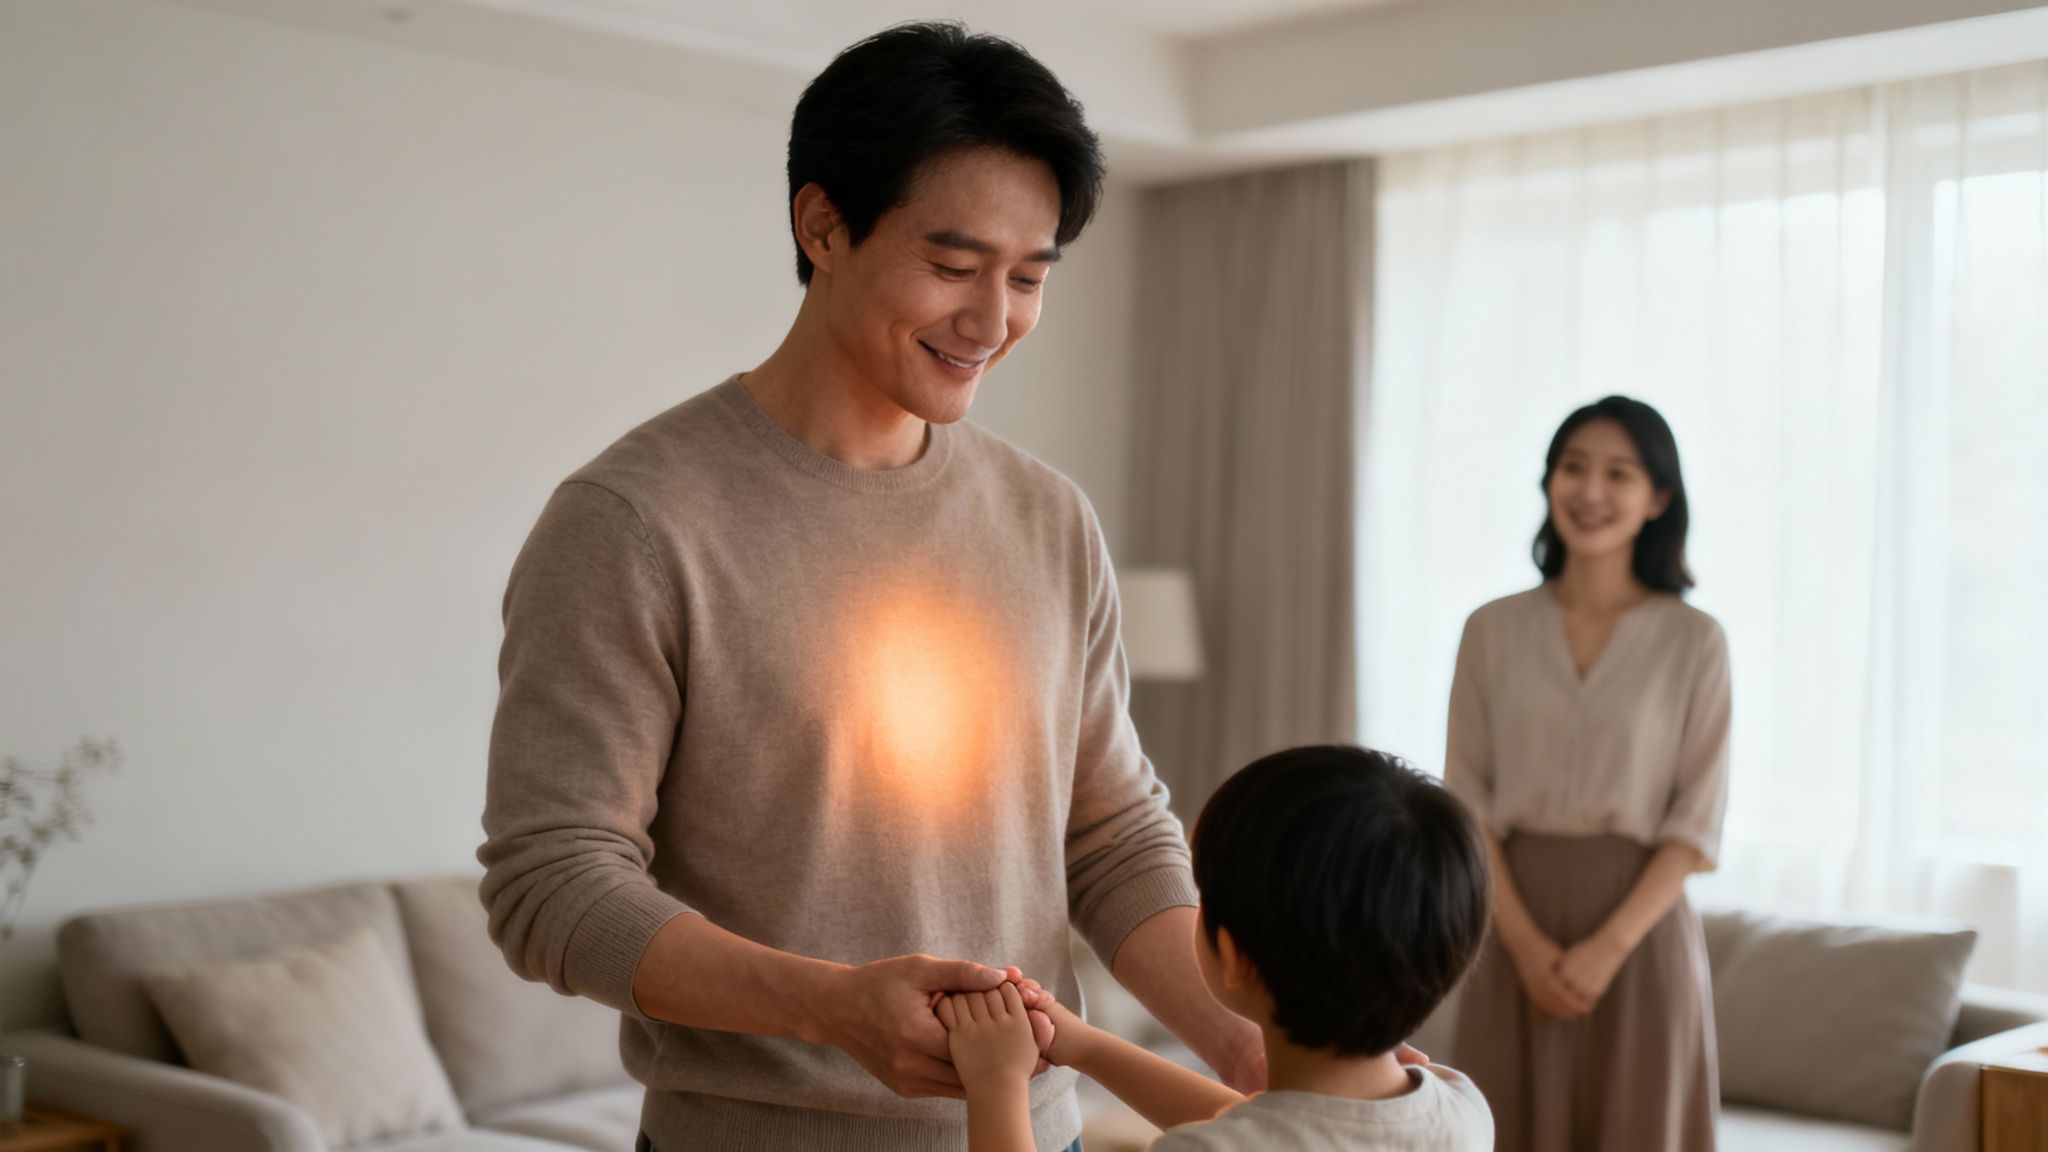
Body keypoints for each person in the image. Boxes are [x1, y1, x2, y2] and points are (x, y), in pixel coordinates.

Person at [475, 21, 1264, 1152]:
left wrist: (1239, 1038)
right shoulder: (634, 522)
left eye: (1028, 277)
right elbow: (550, 884)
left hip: (1037, 1132)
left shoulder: (1048, 519)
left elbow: (1109, 835)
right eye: (952, 267)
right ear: (822, 225)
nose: (992, 322)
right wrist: (827, 1006)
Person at [939, 745, 1495, 1152]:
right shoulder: (1462, 1107)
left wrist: (996, 1084)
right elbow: (1272, 1129)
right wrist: (1083, 1045)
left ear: (1234, 956)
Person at [1444, 395, 1731, 1151]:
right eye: (1573, 468)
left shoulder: (1695, 642)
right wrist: (1531, 949)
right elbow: (1464, 802)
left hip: (1640, 937)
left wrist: (1605, 950)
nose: (1591, 491)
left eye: (1619, 473)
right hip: (1508, 921)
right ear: (1547, 484)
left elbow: (1695, 822)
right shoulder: (1491, 629)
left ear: (1658, 497)